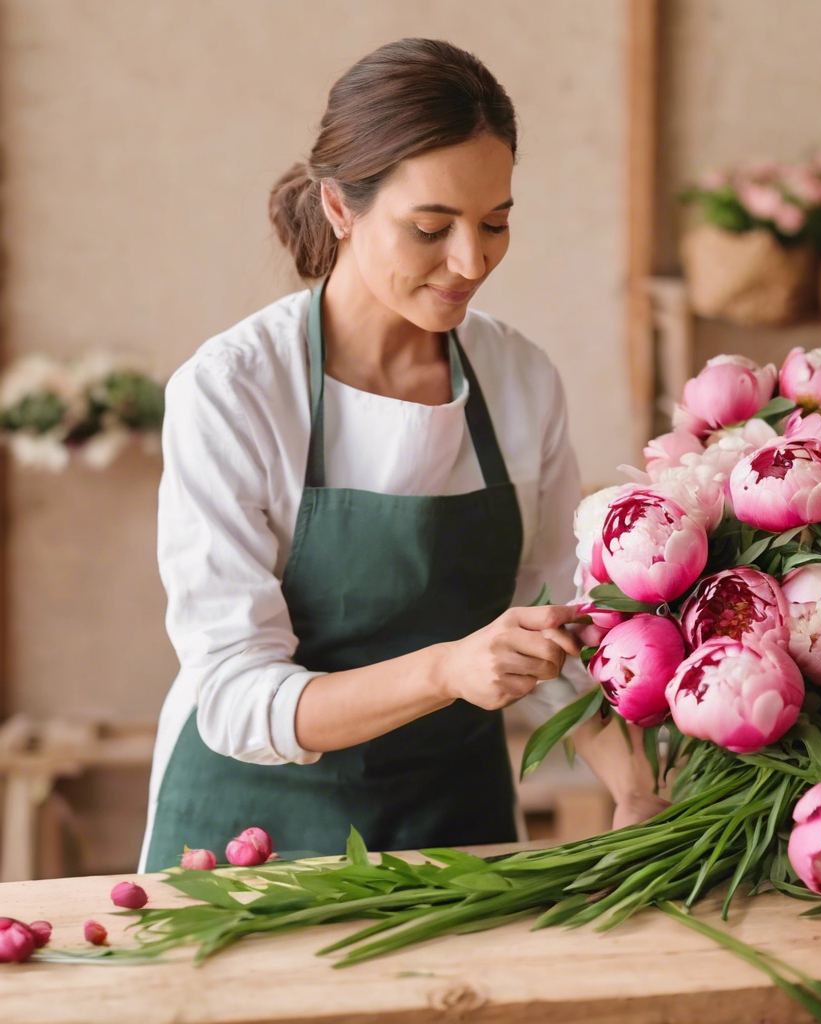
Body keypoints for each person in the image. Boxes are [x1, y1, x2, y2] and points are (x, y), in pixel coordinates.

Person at [140, 38, 664, 873]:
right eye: (431, 228)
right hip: (252, 841)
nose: (470, 262)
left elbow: (561, 625)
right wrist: (447, 670)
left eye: (495, 224)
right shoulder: (234, 390)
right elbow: (236, 699)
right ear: (340, 209)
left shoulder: (519, 380)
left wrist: (634, 787)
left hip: (455, 825)